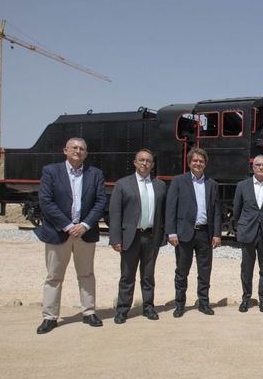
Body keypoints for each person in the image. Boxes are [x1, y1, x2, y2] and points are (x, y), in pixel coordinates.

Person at [33, 138, 107, 334]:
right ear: (65, 150)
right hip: (58, 232)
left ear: (86, 153)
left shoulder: (95, 174)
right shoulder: (51, 171)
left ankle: (89, 312)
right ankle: (49, 317)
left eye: (82, 148)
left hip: (85, 232)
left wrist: (84, 224)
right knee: (54, 276)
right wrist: (67, 226)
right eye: (74, 148)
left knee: (86, 274)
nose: (78, 151)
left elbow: (100, 202)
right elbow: (46, 201)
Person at [108, 149, 167, 324]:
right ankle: (123, 310)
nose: (144, 163)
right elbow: (115, 213)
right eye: (141, 160)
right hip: (130, 237)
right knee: (127, 275)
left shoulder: (160, 185)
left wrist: (163, 235)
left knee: (148, 276)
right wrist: (115, 238)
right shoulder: (122, 184)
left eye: (148, 161)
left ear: (152, 165)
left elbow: (163, 213)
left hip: (151, 237)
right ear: (135, 162)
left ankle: (148, 307)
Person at [166, 148, 221, 317]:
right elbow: (171, 208)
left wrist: (217, 234)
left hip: (205, 233)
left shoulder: (212, 184)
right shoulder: (178, 181)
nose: (198, 163)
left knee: (205, 271)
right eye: (195, 161)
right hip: (184, 233)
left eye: (201, 161)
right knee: (182, 271)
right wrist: (171, 232)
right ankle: (180, 304)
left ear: (205, 163)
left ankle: (204, 303)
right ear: (189, 162)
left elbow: (216, 211)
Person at [233, 155, 263, 313]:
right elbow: (236, 210)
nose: (261, 167)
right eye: (258, 165)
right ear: (253, 167)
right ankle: (246, 298)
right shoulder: (242, 186)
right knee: (247, 268)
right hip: (248, 232)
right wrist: (243, 225)